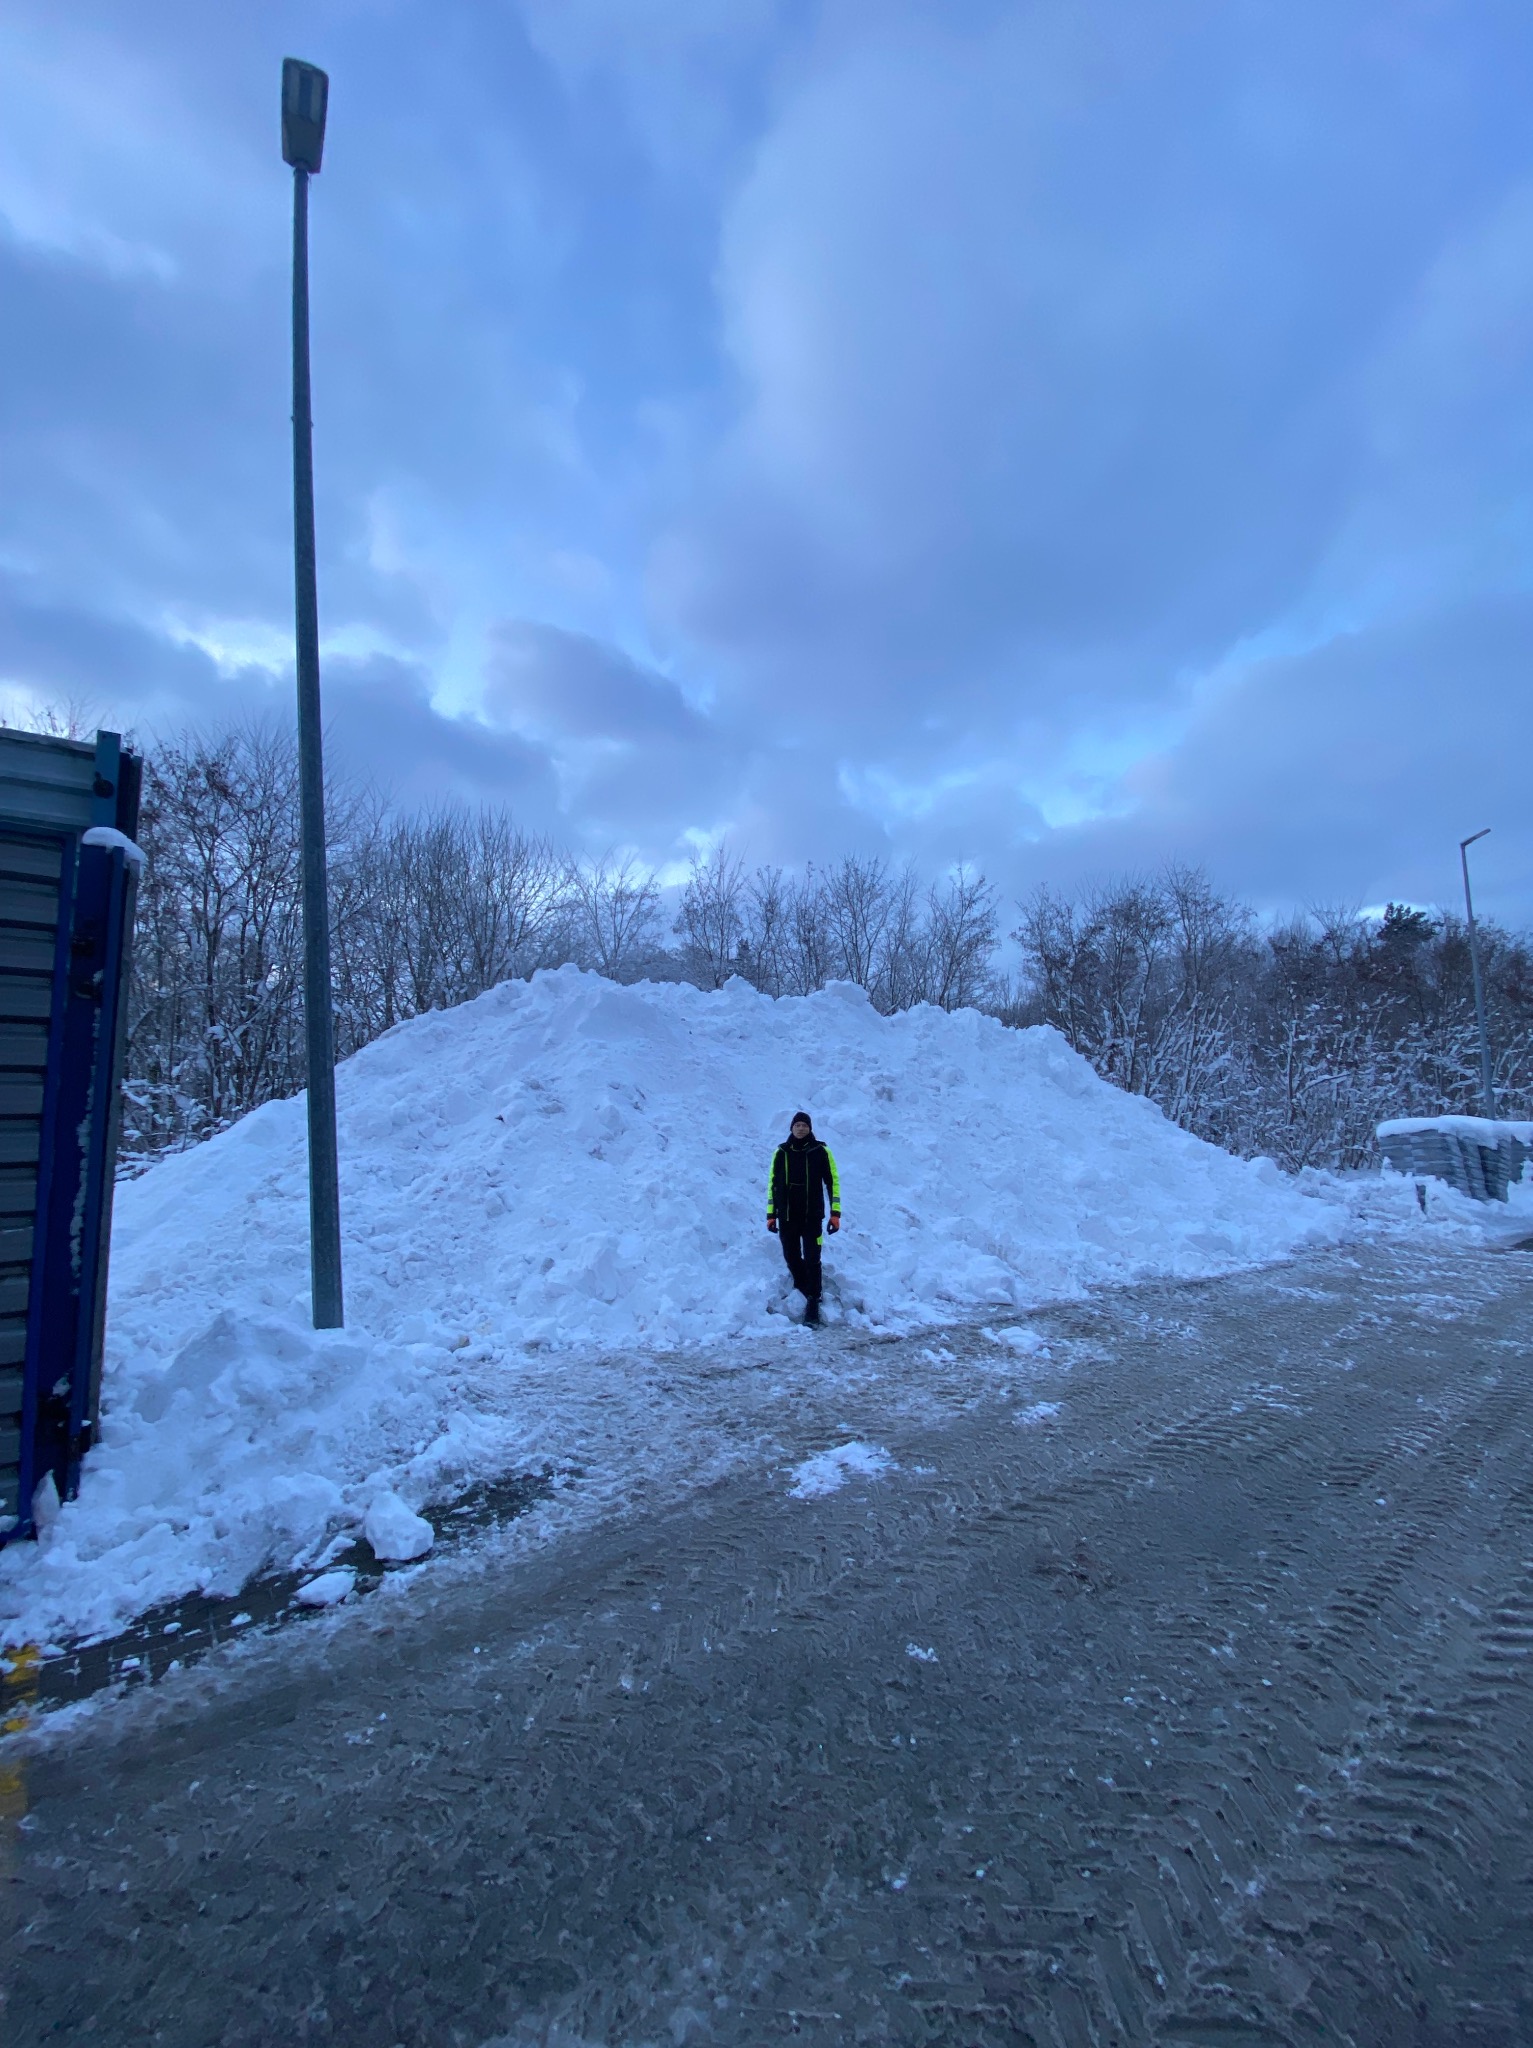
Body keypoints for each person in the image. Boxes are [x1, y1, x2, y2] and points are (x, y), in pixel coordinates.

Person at [767, 1111, 841, 1327]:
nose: (800, 1128)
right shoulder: (781, 1152)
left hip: (812, 1217)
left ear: (810, 1128)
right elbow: (773, 1185)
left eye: (804, 1125)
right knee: (790, 1255)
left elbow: (832, 1183)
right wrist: (771, 1215)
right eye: (797, 1125)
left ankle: (813, 1301)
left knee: (812, 1258)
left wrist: (835, 1214)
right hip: (787, 1217)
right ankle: (803, 1286)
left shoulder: (821, 1151)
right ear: (791, 1128)